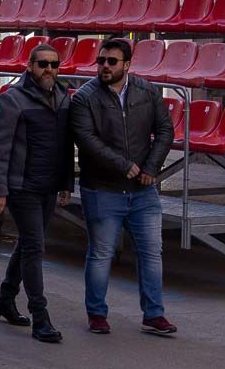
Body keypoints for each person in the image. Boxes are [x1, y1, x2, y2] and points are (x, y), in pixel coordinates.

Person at [71, 38, 176, 336]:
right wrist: (124, 165)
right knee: (101, 253)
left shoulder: (147, 90)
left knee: (152, 252)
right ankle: (97, 314)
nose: (104, 66)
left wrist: (151, 168)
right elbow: (87, 141)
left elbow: (165, 130)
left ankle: (154, 315)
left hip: (143, 191)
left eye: (111, 61)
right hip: (103, 188)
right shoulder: (84, 98)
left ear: (127, 65)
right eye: (101, 60)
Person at [0, 45, 74, 343]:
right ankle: (41, 316)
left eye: (54, 65)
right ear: (29, 66)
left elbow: (65, 147)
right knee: (35, 247)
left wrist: (66, 183)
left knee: (27, 244)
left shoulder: (63, 97)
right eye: (43, 64)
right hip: (22, 186)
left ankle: (5, 298)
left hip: (49, 185)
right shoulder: (12, 100)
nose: (49, 70)